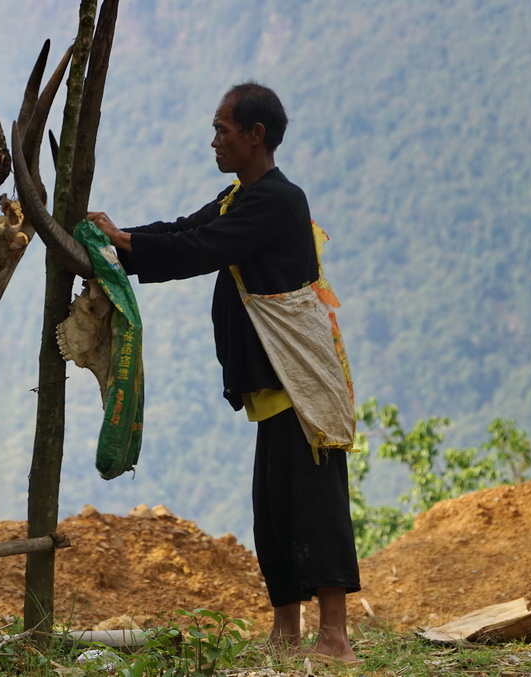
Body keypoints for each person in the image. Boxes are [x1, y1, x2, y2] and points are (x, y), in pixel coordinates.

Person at [87, 82, 361, 664]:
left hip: (300, 382)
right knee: (273, 508)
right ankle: (287, 632)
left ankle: (335, 637)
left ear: (255, 136)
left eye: (222, 130)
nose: (214, 141)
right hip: (273, 386)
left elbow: (203, 247)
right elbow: (186, 228)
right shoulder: (240, 196)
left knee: (315, 507)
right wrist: (120, 241)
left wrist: (125, 243)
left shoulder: (277, 201)